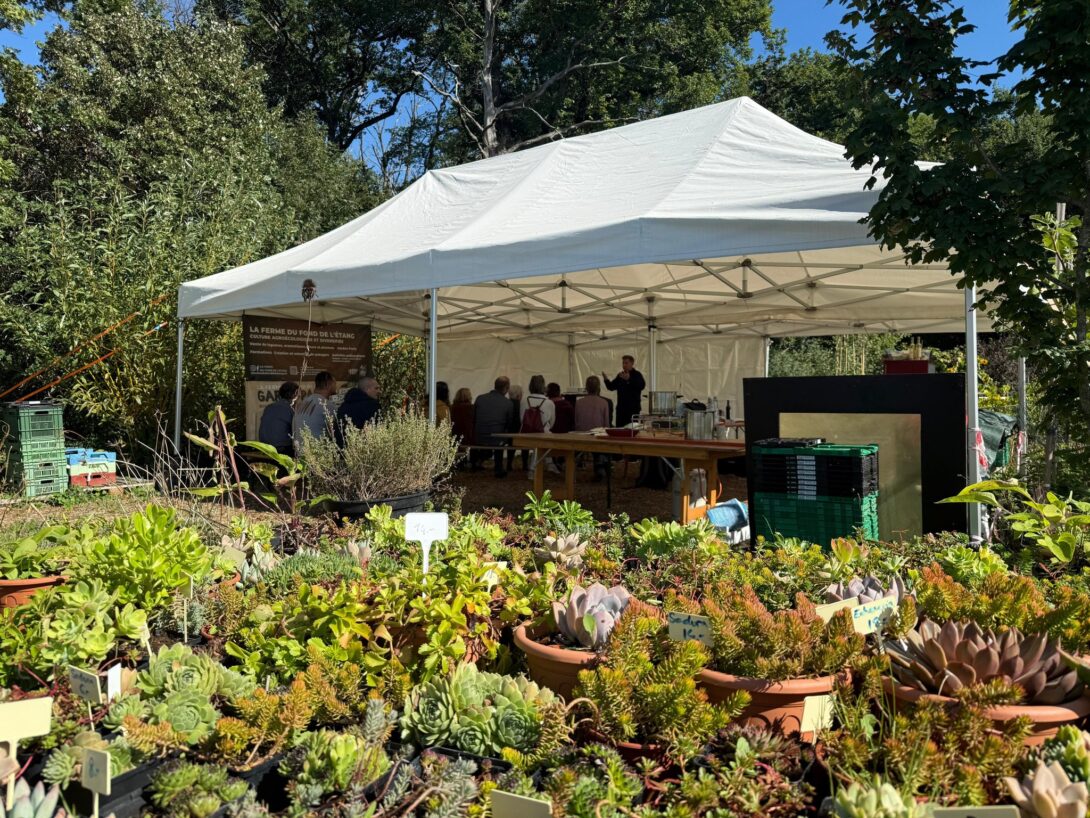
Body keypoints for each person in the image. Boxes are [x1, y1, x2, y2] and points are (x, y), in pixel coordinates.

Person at [474, 376, 516, 477]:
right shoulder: (508, 403)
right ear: (506, 388)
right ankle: (498, 468)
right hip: (497, 439)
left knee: (494, 432)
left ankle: (477, 461)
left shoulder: (480, 398)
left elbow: (475, 418)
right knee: (500, 434)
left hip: (479, 436)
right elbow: (509, 423)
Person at [574, 375, 612, 480]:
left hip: (581, 435)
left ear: (586, 387)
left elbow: (576, 422)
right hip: (597, 436)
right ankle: (600, 465)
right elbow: (606, 424)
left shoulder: (578, 402)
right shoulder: (604, 403)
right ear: (599, 387)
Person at [522, 374, 558, 477]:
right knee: (545, 435)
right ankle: (535, 469)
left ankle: (549, 464)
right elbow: (552, 423)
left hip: (526, 432)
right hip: (543, 432)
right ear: (543, 386)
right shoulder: (549, 402)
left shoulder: (524, 400)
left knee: (539, 439)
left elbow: (522, 419)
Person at [293, 371, 337, 451]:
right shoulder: (326, 405)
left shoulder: (303, 402)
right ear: (328, 384)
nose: (336, 386)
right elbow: (337, 431)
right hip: (317, 456)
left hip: (299, 454)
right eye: (334, 383)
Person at [602, 354, 646, 427]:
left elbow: (641, 386)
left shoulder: (637, 375)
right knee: (619, 430)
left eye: (626, 363)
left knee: (632, 431)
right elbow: (611, 387)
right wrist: (606, 380)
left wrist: (629, 379)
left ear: (632, 363)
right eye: (623, 363)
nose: (624, 365)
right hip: (621, 410)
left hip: (633, 410)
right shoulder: (620, 376)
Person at [336, 375, 381, 444]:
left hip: (341, 450)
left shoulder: (344, 406)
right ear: (367, 389)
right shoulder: (372, 406)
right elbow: (376, 431)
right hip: (361, 449)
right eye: (376, 388)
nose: (379, 391)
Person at [258, 381, 298, 456]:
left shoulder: (269, 407)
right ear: (295, 394)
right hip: (280, 449)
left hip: (264, 448)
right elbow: (295, 432)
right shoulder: (289, 410)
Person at [450, 388, 475, 464]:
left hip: (455, 432)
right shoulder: (471, 407)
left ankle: (459, 462)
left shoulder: (451, 407)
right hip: (468, 434)